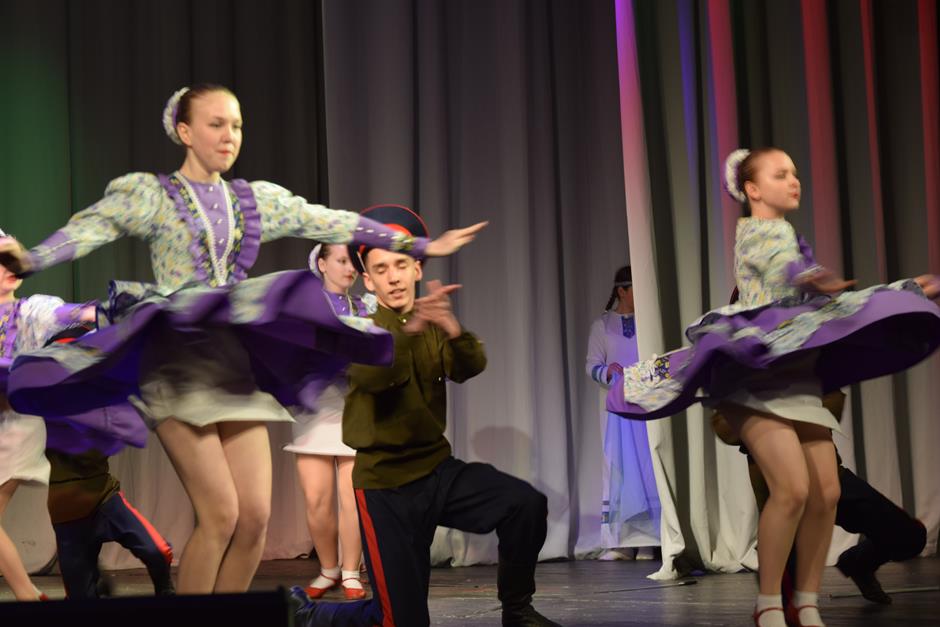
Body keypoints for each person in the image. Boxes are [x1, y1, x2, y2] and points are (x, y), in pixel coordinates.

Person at [0, 84, 485, 594]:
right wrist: (32, 258)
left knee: (254, 519)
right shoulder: (151, 195)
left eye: (236, 125)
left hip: (232, 362)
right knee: (221, 515)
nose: (229, 135)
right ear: (185, 131)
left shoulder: (252, 200)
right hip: (175, 361)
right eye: (215, 124)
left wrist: (418, 243)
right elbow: (93, 226)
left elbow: (326, 220)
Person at [606, 147, 940, 627]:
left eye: (795, 172)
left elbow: (836, 307)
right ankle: (769, 605)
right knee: (794, 490)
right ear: (753, 189)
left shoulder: (790, 245)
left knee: (826, 491)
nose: (794, 180)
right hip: (758, 381)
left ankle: (805, 602)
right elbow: (783, 265)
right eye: (781, 174)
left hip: (796, 380)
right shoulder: (758, 234)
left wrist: (904, 290)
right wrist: (813, 277)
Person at [292, 205, 559, 627]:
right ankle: (308, 615)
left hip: (436, 471)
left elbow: (468, 367)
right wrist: (410, 329)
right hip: (385, 487)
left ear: (417, 269)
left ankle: (517, 610)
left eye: (401, 265)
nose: (394, 277)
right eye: (381, 269)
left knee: (525, 504)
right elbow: (374, 376)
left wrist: (452, 328)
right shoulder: (358, 328)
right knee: (401, 620)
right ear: (368, 280)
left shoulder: (431, 320)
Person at [712, 391, 927, 606]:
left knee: (909, 536)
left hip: (827, 477)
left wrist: (796, 413)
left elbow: (833, 402)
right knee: (785, 593)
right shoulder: (742, 381)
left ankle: (858, 563)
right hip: (780, 491)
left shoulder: (805, 373)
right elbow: (724, 427)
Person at [0, 234, 96, 601]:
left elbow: (74, 315)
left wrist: (104, 312)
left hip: (18, 425)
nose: (10, 268)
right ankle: (30, 596)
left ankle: (28, 596)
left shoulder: (31, 311)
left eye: (14, 259)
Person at [285, 244, 370, 600]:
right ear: (322, 263)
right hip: (313, 409)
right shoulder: (302, 309)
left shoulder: (366, 308)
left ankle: (351, 571)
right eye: (341, 261)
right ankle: (328, 569)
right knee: (317, 500)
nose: (349, 268)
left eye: (353, 262)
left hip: (353, 409)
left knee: (352, 499)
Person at [585, 265, 660, 560]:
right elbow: (591, 364)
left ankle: (651, 540)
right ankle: (623, 541)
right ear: (622, 291)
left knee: (649, 466)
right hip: (617, 409)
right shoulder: (602, 325)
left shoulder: (649, 322)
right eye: (635, 289)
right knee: (621, 469)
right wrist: (608, 371)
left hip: (647, 405)